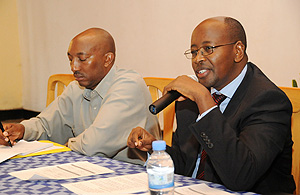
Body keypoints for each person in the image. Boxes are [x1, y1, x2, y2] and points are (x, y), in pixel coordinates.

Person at [127, 16, 296, 194]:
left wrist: (203, 100)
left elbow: (241, 176)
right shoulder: (192, 97)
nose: (198, 59)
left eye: (208, 49)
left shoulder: (269, 100)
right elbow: (188, 164)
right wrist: (154, 150)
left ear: (238, 51)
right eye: (193, 52)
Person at [0, 28, 160, 165]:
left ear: (107, 59)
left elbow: (93, 146)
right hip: (88, 170)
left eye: (82, 59)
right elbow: (47, 125)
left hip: (134, 176)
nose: (74, 67)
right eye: (70, 59)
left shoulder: (128, 85)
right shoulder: (77, 87)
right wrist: (22, 130)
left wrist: (63, 145)